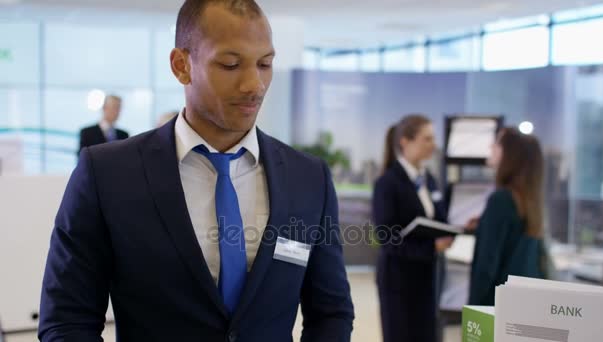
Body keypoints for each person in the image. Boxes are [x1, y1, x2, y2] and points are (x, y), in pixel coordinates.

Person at [38, 1, 354, 341]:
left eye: (265, 64)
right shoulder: (107, 174)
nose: (255, 85)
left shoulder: (307, 179)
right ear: (181, 65)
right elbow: (66, 319)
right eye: (231, 64)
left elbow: (331, 311)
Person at [372, 115, 453, 342]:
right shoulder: (387, 184)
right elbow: (386, 237)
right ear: (405, 142)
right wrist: (431, 247)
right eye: (427, 139)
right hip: (398, 280)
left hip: (427, 277)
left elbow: (439, 219)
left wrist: (452, 231)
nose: (433, 145)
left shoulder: (430, 181)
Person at [468, 127, 546, 306]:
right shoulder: (528, 200)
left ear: (509, 154)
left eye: (496, 144)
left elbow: (486, 267)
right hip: (522, 301)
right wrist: (483, 225)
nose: (491, 146)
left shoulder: (500, 199)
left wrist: (472, 311)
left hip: (496, 306)